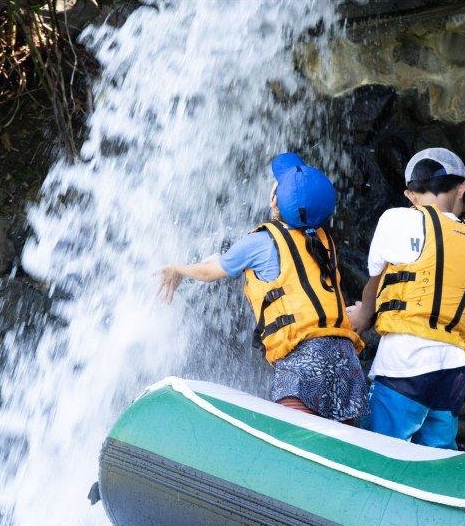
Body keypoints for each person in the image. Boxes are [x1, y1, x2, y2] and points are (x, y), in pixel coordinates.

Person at [158, 152, 368, 424]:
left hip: (303, 365)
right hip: (346, 363)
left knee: (295, 438)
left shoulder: (261, 241)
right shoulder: (324, 242)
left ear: (274, 200)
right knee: (340, 442)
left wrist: (177, 269)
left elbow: (210, 272)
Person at [347, 148, 465, 449]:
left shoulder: (397, 219)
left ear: (410, 194)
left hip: (406, 360)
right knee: (436, 456)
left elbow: (374, 282)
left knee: (378, 449)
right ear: (462, 186)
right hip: (453, 368)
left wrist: (364, 313)